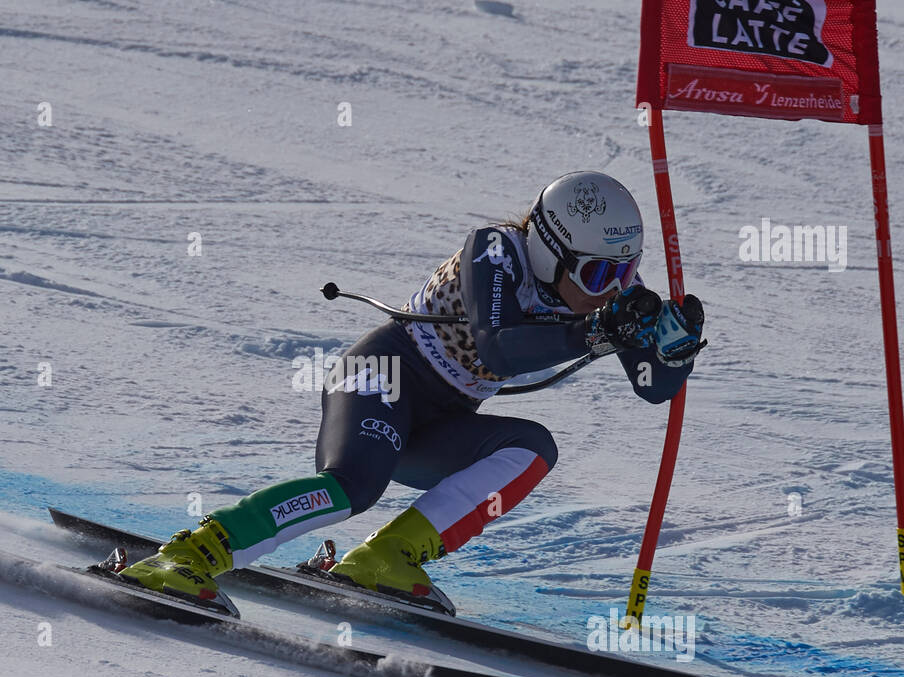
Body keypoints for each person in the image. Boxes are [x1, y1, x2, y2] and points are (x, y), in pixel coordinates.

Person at [110, 171, 705, 611]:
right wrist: (594, 330)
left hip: (442, 417)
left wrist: (670, 352)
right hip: (385, 375)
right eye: (600, 275)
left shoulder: (603, 295)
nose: (614, 289)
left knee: (532, 448)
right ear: (550, 251)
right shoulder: (495, 252)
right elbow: (497, 346)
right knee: (353, 486)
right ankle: (190, 555)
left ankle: (384, 559)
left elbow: (652, 388)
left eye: (625, 274)